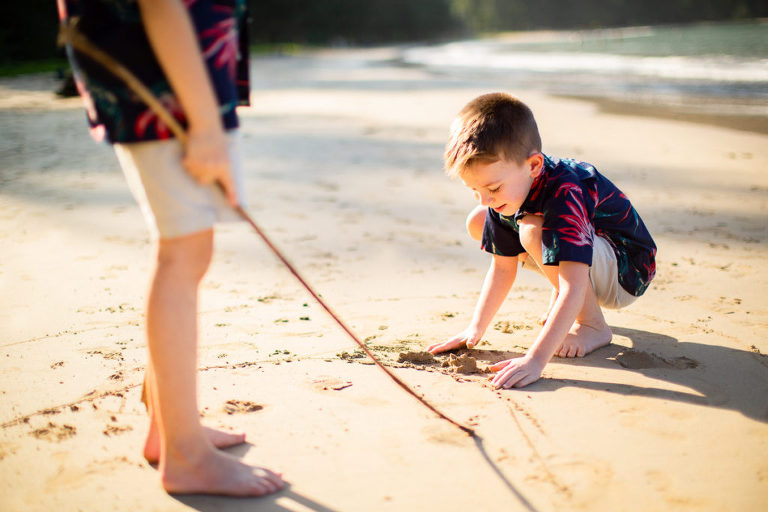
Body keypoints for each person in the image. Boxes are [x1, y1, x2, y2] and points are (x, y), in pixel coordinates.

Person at [58, 0, 285, 496]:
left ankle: (170, 427)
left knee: (189, 251)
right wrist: (205, 125)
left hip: (174, 74)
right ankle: (184, 454)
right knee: (182, 253)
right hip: (162, 79)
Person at [428, 93, 656, 389]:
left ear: (534, 166)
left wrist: (535, 360)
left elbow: (573, 286)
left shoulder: (566, 191)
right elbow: (502, 267)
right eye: (474, 189)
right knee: (479, 220)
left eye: (493, 188)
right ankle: (569, 304)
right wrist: (476, 327)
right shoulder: (505, 193)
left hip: (627, 270)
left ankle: (593, 325)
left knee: (532, 231)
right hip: (591, 256)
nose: (485, 198)